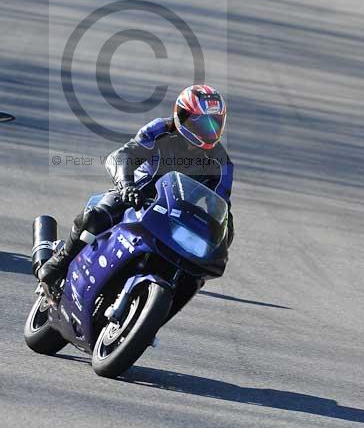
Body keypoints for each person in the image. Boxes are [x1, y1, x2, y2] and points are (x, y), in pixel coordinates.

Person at [39, 84, 234, 288]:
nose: (210, 131)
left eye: (215, 123)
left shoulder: (222, 163)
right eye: (202, 123)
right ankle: (61, 260)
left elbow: (221, 204)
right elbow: (121, 156)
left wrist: (220, 234)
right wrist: (126, 186)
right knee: (95, 217)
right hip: (136, 196)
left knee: (203, 258)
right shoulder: (160, 130)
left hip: (176, 214)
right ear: (182, 116)